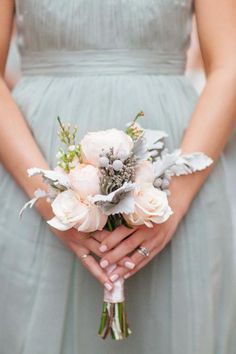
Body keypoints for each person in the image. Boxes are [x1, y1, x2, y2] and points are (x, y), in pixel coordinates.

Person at [0, 1, 235, 353]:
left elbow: (229, 63)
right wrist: (55, 204)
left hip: (178, 173)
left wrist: (173, 202)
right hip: (31, 172)